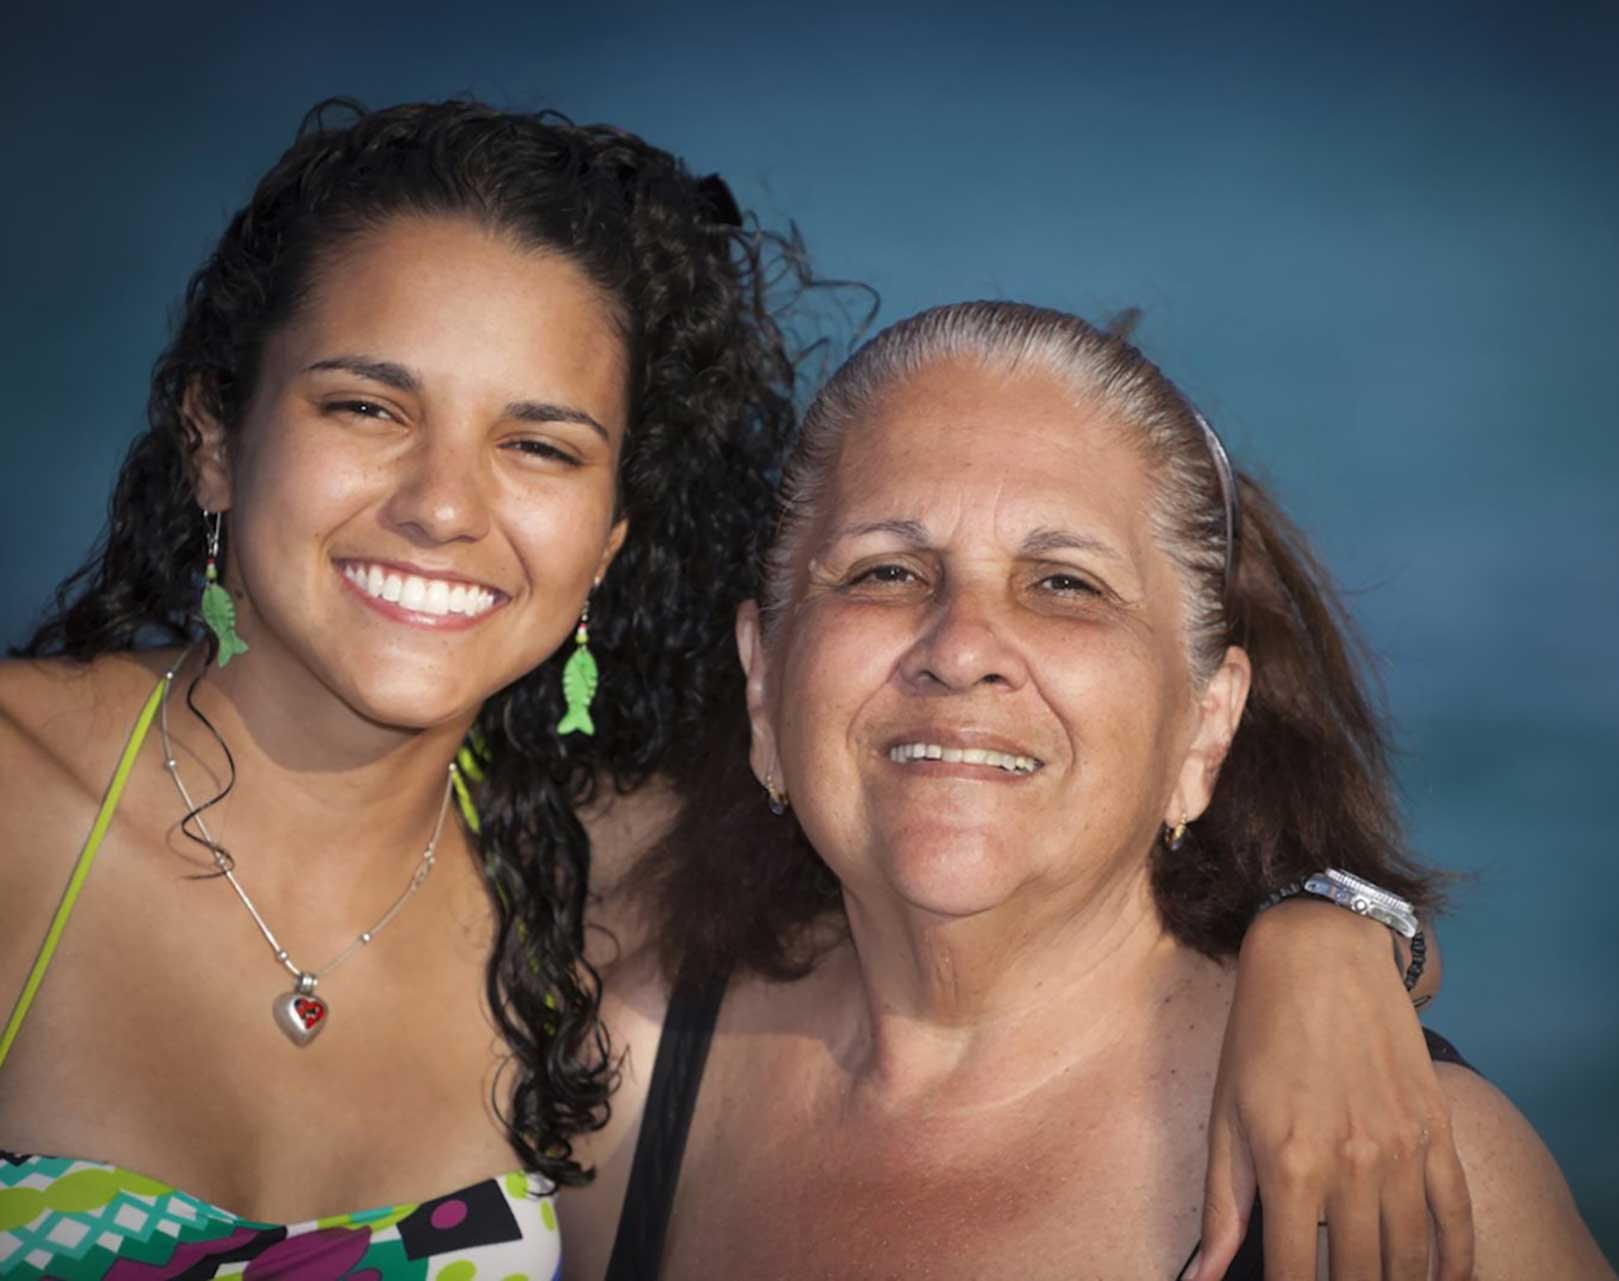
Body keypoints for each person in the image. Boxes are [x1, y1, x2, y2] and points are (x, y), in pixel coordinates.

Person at [1, 102, 1467, 1281]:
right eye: (367, 406)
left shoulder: (596, 892)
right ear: (215, 440)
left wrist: (1326, 935)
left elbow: (999, 872)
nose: (443, 505)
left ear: (608, 539)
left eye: (540, 446)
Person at [586, 302, 1615, 1280]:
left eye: (1064, 584)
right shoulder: (626, 1074)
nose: (962, 648)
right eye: (886, 572)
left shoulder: (1397, 1171)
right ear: (764, 683)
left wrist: (1341, 923)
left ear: (1205, 725)